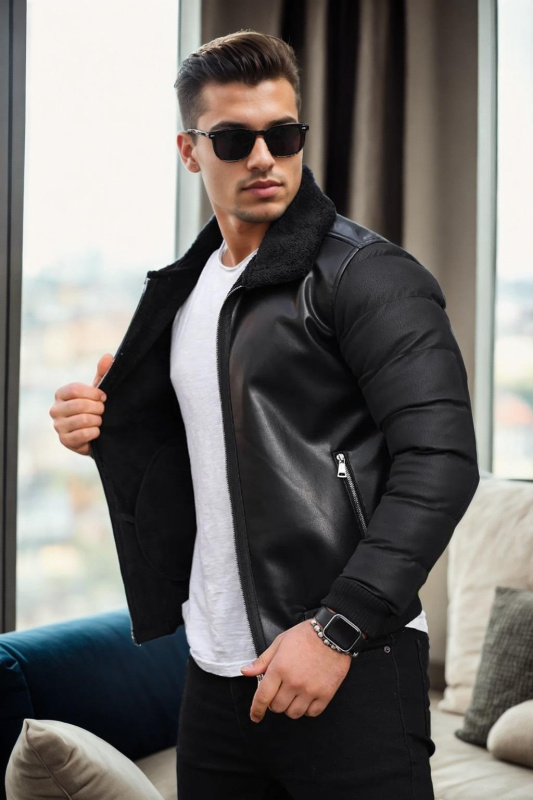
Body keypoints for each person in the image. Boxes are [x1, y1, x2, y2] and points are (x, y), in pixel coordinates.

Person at [50, 29, 480, 800]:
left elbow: (440, 463)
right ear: (189, 152)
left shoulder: (366, 275)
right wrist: (103, 432)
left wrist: (337, 628)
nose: (263, 158)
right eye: (233, 139)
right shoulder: (185, 291)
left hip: (347, 663)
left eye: (283, 136)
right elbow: (213, 449)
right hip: (213, 673)